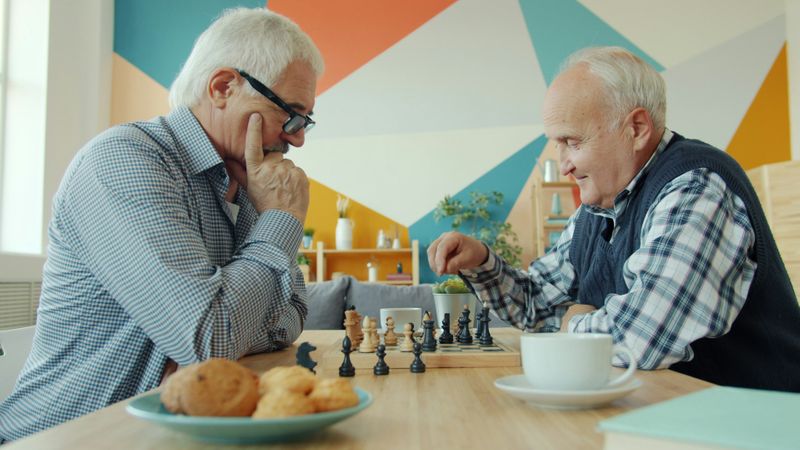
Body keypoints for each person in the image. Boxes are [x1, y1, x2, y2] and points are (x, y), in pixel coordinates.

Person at [0, 8, 323, 441]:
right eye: (290, 113)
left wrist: (224, 330)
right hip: (66, 437)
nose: (297, 137)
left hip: (161, 432)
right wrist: (280, 219)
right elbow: (212, 341)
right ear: (223, 87)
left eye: (304, 122)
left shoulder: (249, 187)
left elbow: (292, 315)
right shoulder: (124, 160)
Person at [428, 46, 800, 392]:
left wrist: (572, 324)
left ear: (636, 129)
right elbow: (537, 306)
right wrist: (480, 262)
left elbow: (642, 336)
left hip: (757, 419)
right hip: (669, 410)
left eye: (573, 142)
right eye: (558, 144)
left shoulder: (697, 187)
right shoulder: (599, 206)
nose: (564, 165)